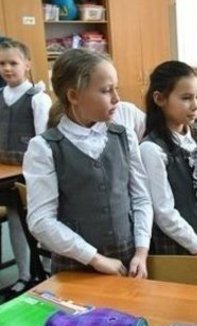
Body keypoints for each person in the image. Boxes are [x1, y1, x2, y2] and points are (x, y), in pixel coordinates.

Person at [23, 48, 152, 277]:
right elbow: (40, 220)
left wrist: (141, 252)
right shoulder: (44, 147)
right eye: (106, 90)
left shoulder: (124, 136)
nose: (116, 98)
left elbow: (141, 197)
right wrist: (94, 258)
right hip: (75, 264)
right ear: (74, 96)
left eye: (116, 88)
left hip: (129, 257)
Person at [140, 61, 197, 256]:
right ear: (159, 99)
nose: (195, 105)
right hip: (174, 247)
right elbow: (164, 213)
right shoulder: (152, 149)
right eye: (186, 98)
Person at [0, 38, 52, 295]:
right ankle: (24, 275)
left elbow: (44, 140)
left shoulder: (37, 99)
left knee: (41, 224)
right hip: (6, 175)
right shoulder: (1, 96)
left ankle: (47, 272)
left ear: (27, 65)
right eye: (2, 64)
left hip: (31, 175)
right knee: (15, 223)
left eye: (13, 63)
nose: (7, 68)